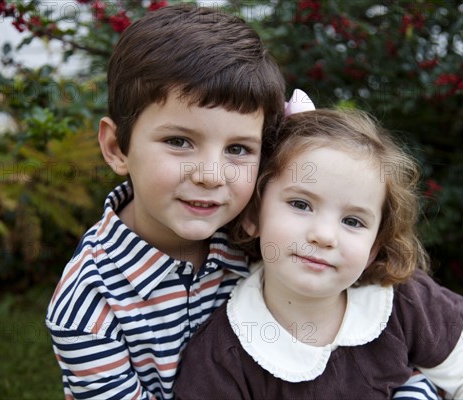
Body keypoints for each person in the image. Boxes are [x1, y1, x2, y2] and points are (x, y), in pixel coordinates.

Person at [173, 105, 463, 399]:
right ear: (252, 215)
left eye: (352, 221)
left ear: (374, 247)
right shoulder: (224, 356)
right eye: (300, 204)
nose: (324, 236)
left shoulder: (401, 303)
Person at [45, 4, 285, 399]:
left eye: (239, 149)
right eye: (179, 141)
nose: (211, 174)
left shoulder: (258, 241)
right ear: (116, 146)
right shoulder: (89, 304)